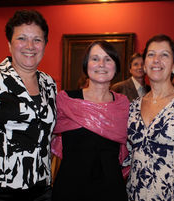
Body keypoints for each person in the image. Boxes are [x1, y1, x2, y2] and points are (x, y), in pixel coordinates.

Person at [0, 10, 57, 201]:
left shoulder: (49, 84)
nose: (30, 46)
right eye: (22, 38)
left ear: (45, 45)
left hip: (40, 190)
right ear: (9, 43)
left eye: (37, 40)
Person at [51, 40, 129, 201]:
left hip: (111, 190)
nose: (101, 64)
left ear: (116, 67)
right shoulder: (66, 100)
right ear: (86, 65)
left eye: (108, 59)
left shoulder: (123, 105)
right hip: (70, 189)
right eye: (95, 59)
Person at [124, 34, 174, 200]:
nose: (156, 60)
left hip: (171, 195)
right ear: (144, 65)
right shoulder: (133, 106)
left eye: (164, 55)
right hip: (135, 194)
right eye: (151, 54)